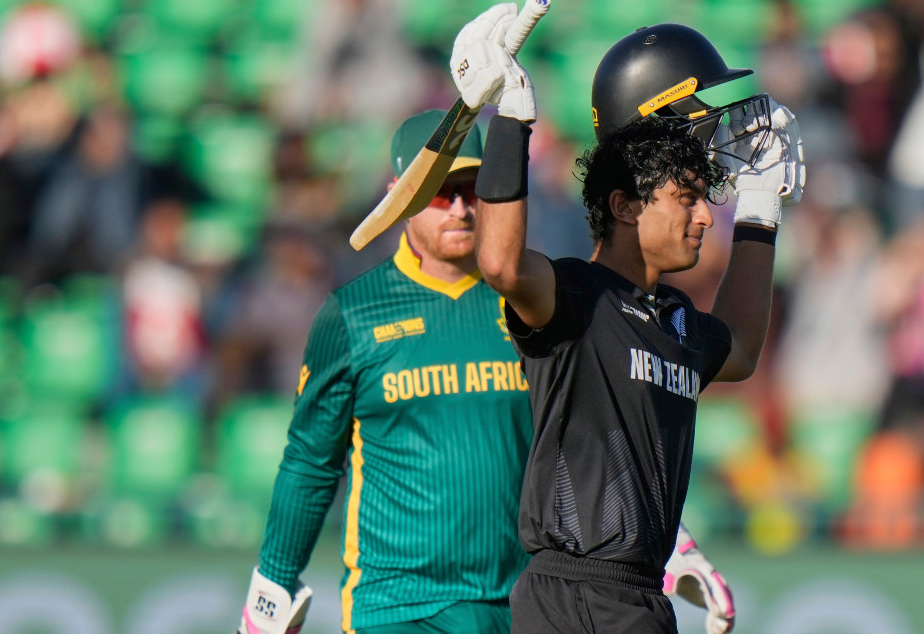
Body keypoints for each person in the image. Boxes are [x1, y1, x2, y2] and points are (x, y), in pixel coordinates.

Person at [236, 110, 734, 634]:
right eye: (440, 191)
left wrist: (669, 540)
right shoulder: (353, 314)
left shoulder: (539, 302)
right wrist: (273, 582)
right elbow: (310, 465)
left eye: (472, 189)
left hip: (518, 608)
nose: (459, 207)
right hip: (396, 608)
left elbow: (598, 438)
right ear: (400, 195)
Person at [450, 10, 805, 633]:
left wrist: (759, 210)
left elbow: (743, 348)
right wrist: (511, 117)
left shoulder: (675, 319)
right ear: (624, 204)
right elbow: (502, 264)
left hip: (643, 601)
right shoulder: (574, 296)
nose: (702, 219)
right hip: (568, 595)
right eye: (687, 199)